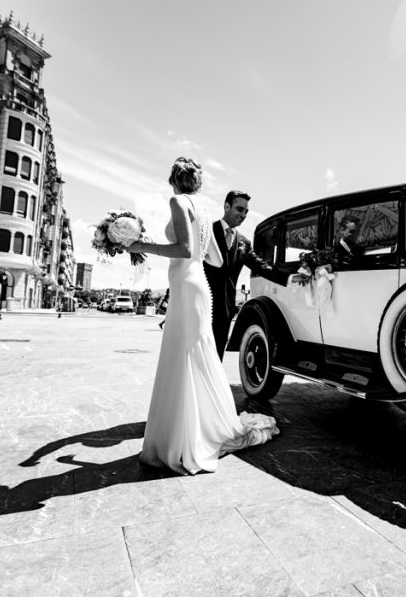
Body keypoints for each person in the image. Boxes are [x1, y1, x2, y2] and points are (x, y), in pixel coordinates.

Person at [124, 157, 279, 475]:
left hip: (187, 284)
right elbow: (217, 259)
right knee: (195, 356)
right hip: (197, 286)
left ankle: (182, 437)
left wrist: (141, 245)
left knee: (182, 356)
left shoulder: (178, 201)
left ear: (174, 180)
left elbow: (183, 249)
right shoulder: (205, 211)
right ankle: (193, 429)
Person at [203, 189, 292, 359]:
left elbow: (261, 267)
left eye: (246, 211)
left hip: (225, 308)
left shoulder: (244, 242)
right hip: (201, 302)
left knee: (216, 355)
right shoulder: (207, 231)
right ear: (226, 206)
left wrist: (289, 278)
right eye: (239, 209)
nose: (243, 215)